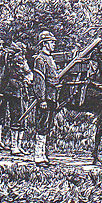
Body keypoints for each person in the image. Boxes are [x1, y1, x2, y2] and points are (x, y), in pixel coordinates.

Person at [32, 30, 58, 166]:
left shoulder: (50, 58)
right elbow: (39, 81)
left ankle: (44, 156)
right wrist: (41, 99)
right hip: (45, 98)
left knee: (48, 126)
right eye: (51, 42)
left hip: (52, 97)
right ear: (44, 44)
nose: (54, 44)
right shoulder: (40, 59)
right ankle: (38, 157)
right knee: (41, 126)